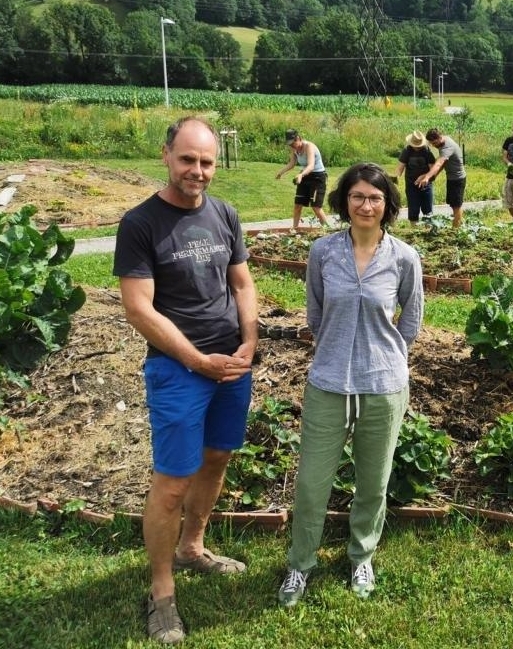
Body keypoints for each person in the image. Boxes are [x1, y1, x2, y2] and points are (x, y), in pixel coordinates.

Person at [112, 116, 258, 645]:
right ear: (166, 156)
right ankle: (161, 592)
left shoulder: (225, 214)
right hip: (179, 370)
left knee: (217, 457)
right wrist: (198, 360)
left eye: (207, 162)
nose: (197, 171)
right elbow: (139, 310)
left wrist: (249, 341)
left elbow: (241, 282)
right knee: (172, 480)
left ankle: (192, 547)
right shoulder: (141, 223)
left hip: (232, 366)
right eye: (188, 159)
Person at [277, 162, 424, 608]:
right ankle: (300, 564)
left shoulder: (403, 257)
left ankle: (362, 555)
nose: (366, 205)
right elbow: (315, 314)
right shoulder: (323, 252)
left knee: (374, 481)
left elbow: (411, 319)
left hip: (383, 385)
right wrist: (335, 348)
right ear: (344, 202)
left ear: (387, 205)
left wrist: (390, 357)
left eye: (375, 198)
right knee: (311, 483)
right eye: (357, 196)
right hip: (328, 381)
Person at [276, 129, 329, 228]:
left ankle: (327, 229)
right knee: (298, 205)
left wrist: (300, 175)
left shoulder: (309, 146)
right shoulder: (294, 149)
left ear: (298, 138)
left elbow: (311, 165)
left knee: (316, 206)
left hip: (318, 177)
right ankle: (294, 229)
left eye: (293, 143)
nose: (292, 146)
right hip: (305, 176)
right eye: (290, 144)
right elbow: (292, 163)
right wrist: (281, 172)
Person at [416, 127, 466, 228]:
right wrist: (430, 176)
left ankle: (455, 230)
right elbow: (443, 163)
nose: (433, 146)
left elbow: (439, 163)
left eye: (434, 143)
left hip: (458, 179)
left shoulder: (447, 147)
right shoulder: (443, 142)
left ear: (439, 138)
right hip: (451, 178)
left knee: (456, 206)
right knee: (453, 204)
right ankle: (460, 225)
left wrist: (427, 177)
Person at [394, 130, 436, 224]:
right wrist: (396, 178)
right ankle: (414, 231)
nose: (417, 148)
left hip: (426, 184)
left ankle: (428, 231)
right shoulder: (407, 151)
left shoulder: (426, 150)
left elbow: (433, 169)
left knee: (428, 210)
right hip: (411, 185)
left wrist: (426, 178)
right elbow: (400, 167)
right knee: (413, 209)